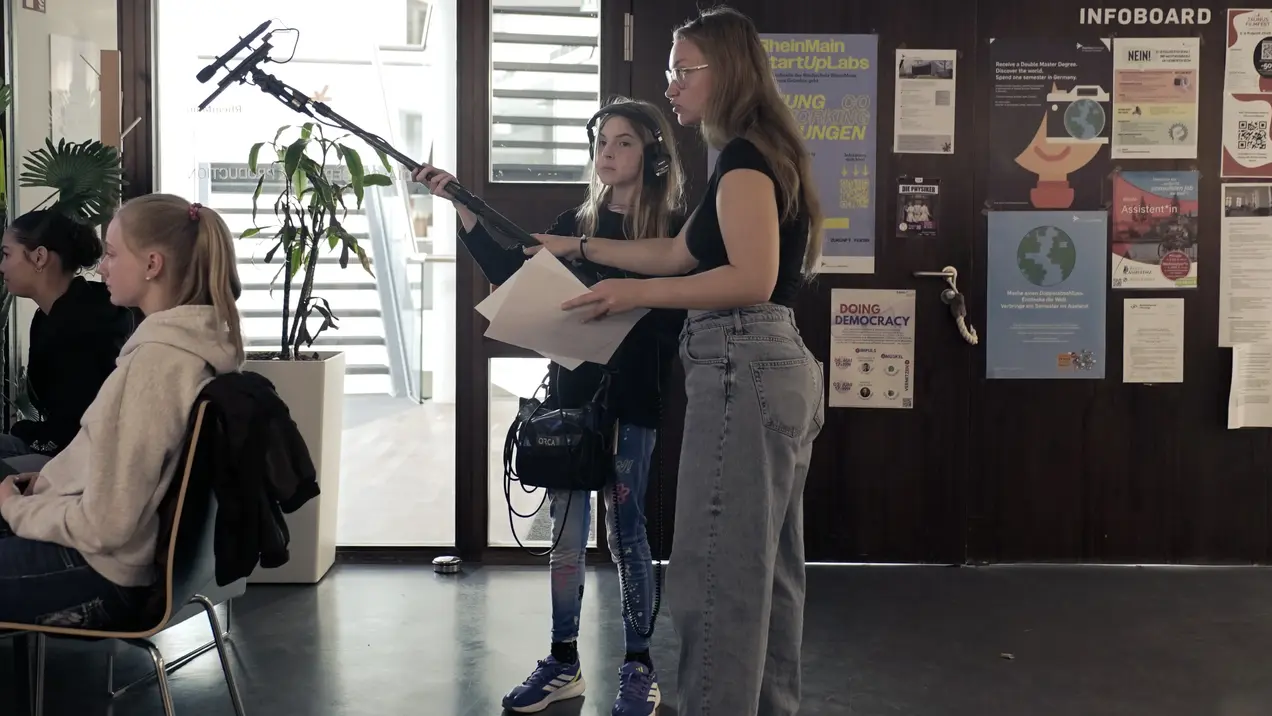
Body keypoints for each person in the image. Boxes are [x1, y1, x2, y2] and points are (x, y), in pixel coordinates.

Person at [528, 7, 825, 715]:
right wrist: (580, 248)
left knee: (714, 575)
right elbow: (679, 252)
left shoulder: (746, 160)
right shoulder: (751, 154)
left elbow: (750, 277)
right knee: (768, 575)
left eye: (681, 69)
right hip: (771, 364)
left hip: (742, 360)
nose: (670, 85)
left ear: (724, 71)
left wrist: (636, 292)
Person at [414, 97, 687, 716]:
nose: (608, 153)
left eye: (623, 142)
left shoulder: (672, 231)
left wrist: (621, 307)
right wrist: (460, 203)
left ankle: (639, 667)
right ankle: (563, 663)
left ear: (653, 154)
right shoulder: (574, 220)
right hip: (570, 398)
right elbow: (515, 271)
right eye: (602, 142)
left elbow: (675, 314)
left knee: (629, 534)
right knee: (565, 539)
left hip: (634, 399)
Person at [0, 194, 243, 626]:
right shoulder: (189, 350)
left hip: (102, 573)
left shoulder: (156, 365)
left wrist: (17, 508)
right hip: (110, 560)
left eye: (112, 254)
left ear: (152, 265)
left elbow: (105, 526)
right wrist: (55, 481)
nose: (102, 267)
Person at [0, 209, 138, 472]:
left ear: (39, 256)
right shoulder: (50, 316)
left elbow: (73, 430)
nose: (2, 266)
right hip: (62, 447)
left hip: (84, 462)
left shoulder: (83, 327)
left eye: (7, 254)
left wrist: (26, 433)